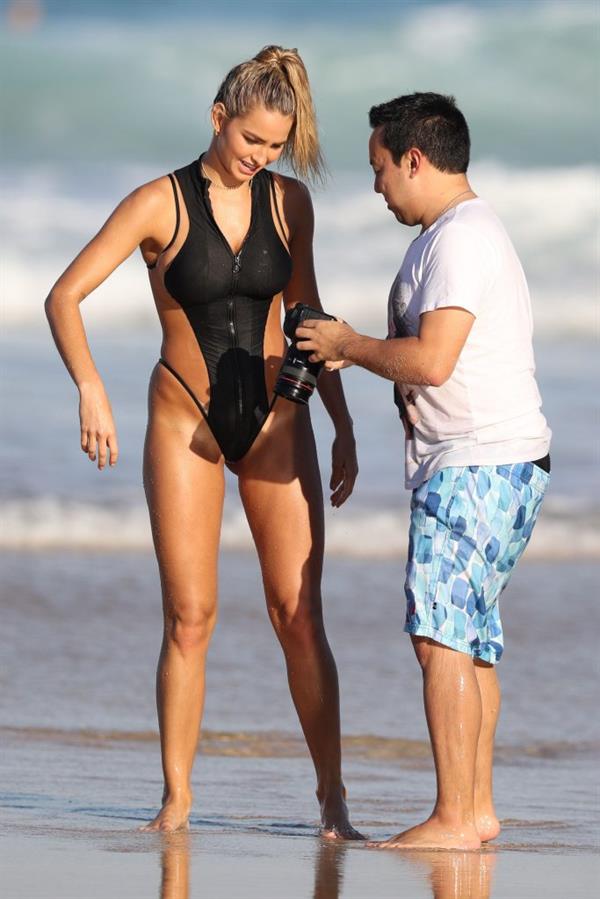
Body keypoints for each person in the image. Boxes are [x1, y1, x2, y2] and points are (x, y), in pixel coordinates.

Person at [45, 45, 361, 838]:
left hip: (279, 421)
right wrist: (91, 385)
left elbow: (308, 314)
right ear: (219, 119)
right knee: (190, 614)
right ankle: (177, 799)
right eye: (251, 139)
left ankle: (333, 799)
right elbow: (65, 295)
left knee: (298, 614)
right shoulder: (159, 202)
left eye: (276, 146)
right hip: (184, 417)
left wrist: (344, 420)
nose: (262, 157)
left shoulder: (290, 204)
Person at [296, 92, 551, 850]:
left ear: (415, 158)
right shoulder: (457, 234)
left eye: (379, 168)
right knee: (467, 638)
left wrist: (348, 345)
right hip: (498, 458)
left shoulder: (461, 239)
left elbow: (433, 362)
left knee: (440, 636)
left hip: (476, 461)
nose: (376, 186)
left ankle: (453, 815)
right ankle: (475, 811)